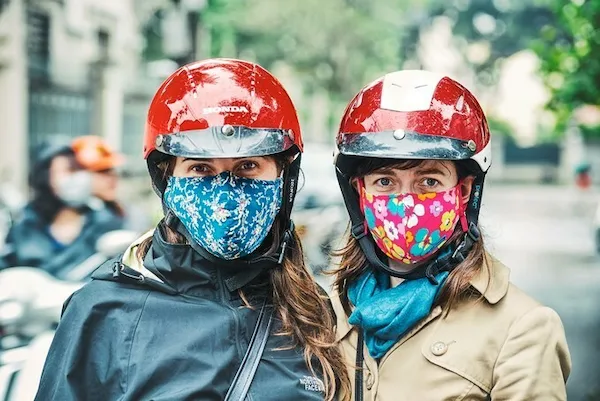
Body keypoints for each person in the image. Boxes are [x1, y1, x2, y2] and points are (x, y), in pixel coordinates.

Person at [35, 58, 350, 401]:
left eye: (248, 166)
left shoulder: (313, 312)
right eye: (200, 169)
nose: (226, 196)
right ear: (166, 179)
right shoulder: (102, 313)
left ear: (282, 177)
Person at [330, 70, 571, 400]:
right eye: (384, 182)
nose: (406, 203)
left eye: (429, 181)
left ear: (463, 192)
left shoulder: (523, 328)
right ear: (360, 193)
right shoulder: (331, 308)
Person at [0, 140, 124, 277]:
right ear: (45, 177)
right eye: (70, 170)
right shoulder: (22, 223)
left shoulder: (105, 221)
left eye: (82, 169)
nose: (80, 177)